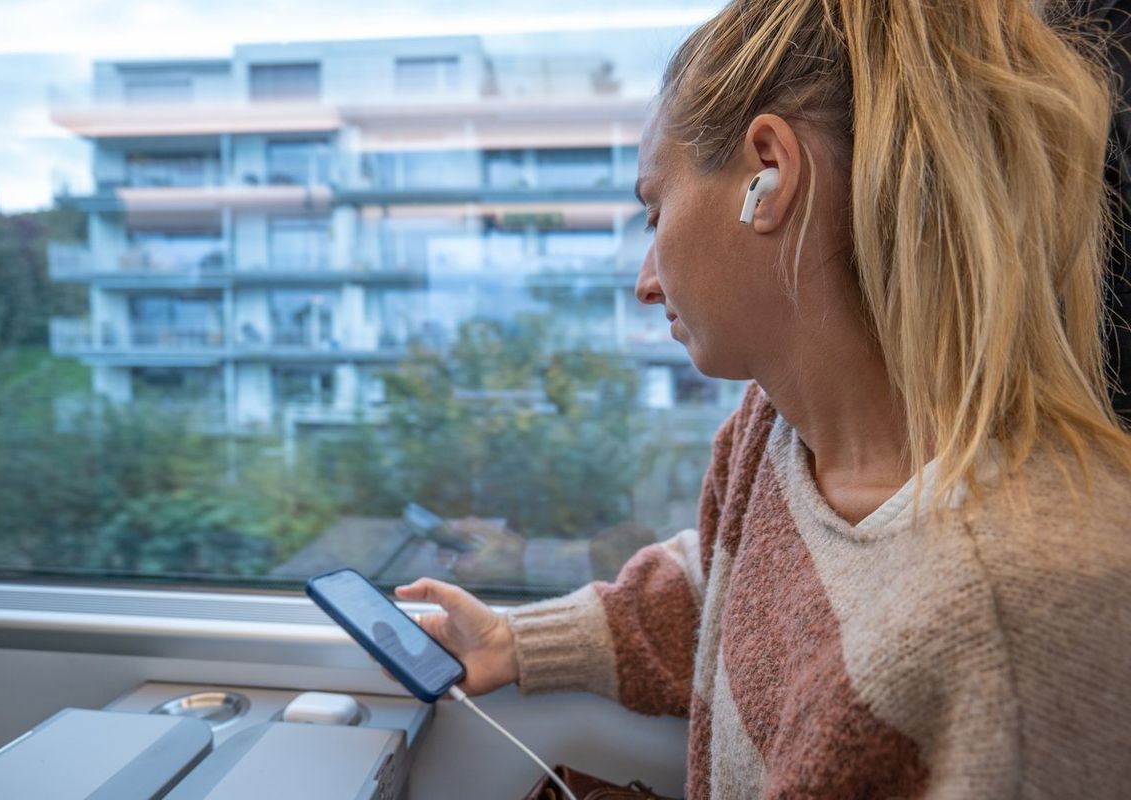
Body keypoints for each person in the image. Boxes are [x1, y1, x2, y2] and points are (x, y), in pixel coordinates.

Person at [395, 1, 1131, 796]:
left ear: (769, 173)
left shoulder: (1017, 615)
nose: (646, 283)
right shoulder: (773, 434)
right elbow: (728, 587)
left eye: (655, 210)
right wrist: (515, 639)